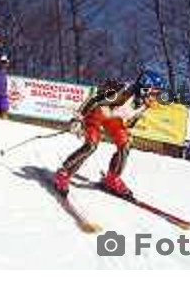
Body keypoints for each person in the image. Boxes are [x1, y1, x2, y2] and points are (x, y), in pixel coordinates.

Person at [53, 69, 168, 198]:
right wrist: (78, 119)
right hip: (98, 113)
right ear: (144, 89)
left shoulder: (145, 104)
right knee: (91, 145)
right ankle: (64, 173)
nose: (155, 98)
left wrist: (127, 131)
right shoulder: (122, 90)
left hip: (114, 119)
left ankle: (112, 178)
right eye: (154, 93)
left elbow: (132, 119)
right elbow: (95, 99)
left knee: (125, 144)